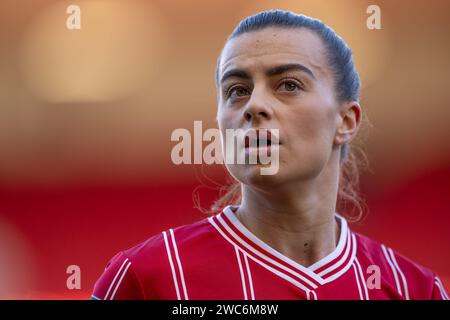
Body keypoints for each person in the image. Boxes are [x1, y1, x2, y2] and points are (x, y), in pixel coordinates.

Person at [91, 10, 448, 300]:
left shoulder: (414, 290)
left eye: (289, 85)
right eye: (236, 90)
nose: (254, 105)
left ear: (345, 120)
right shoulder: (148, 278)